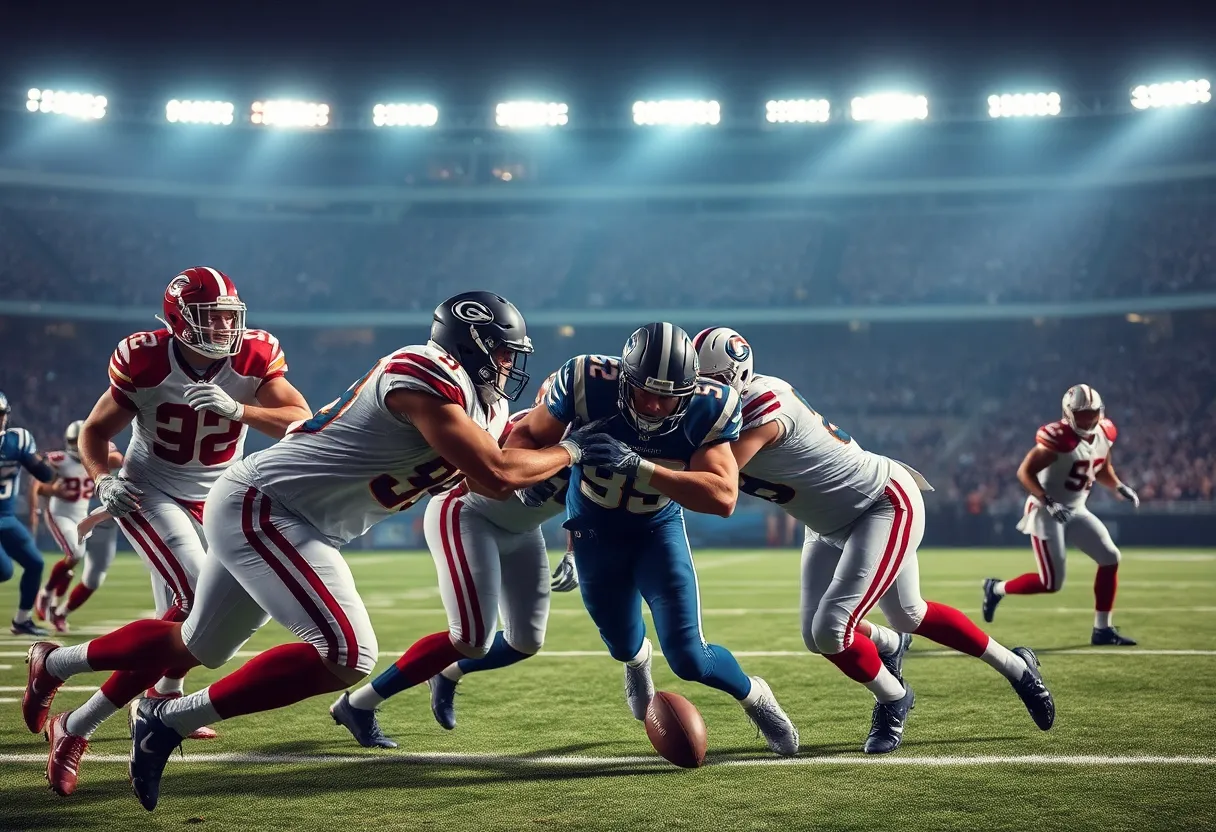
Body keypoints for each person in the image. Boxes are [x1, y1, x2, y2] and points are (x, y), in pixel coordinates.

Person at [24, 290, 599, 809]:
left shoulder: (486, 406)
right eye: (501, 352)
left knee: (195, 641)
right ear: (470, 344)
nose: (508, 364)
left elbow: (487, 477)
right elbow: (497, 474)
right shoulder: (425, 370)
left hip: (295, 515)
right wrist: (571, 452)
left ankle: (55, 668)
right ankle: (168, 719)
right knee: (347, 654)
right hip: (271, 506)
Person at [694, 326, 1055, 754]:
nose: (700, 394)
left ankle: (905, 696)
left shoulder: (764, 406)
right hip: (827, 522)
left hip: (880, 504)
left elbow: (720, 483)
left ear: (735, 377)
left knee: (832, 630)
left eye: (708, 383)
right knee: (886, 620)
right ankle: (895, 644)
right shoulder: (719, 409)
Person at [24, 266, 312, 796]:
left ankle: (126, 687)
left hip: (223, 493)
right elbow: (94, 431)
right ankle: (77, 721)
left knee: (186, 620)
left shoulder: (255, 354)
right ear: (180, 320)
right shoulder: (145, 357)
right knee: (195, 606)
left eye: (231, 315)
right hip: (150, 489)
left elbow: (299, 416)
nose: (227, 326)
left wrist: (240, 409)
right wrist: (102, 477)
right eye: (213, 316)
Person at [506, 322, 800, 756]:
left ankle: (756, 697)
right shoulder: (586, 380)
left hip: (656, 531)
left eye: (669, 395)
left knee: (689, 658)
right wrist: (529, 471)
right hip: (593, 532)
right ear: (624, 377)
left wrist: (641, 467)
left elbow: (723, 497)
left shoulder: (711, 405)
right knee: (622, 641)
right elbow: (526, 435)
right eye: (645, 390)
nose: (656, 404)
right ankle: (637, 661)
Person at [332, 373, 580, 747]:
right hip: (468, 514)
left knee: (525, 642)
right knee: (470, 636)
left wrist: (575, 553)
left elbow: (589, 499)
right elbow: (480, 474)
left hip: (523, 531)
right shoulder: (516, 428)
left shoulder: (593, 442)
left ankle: (447, 673)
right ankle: (359, 703)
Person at [983, 384, 1139, 645]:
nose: (1089, 419)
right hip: (1047, 512)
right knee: (1051, 583)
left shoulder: (1104, 433)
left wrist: (1118, 486)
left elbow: (1100, 466)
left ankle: (1102, 629)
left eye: (1092, 413)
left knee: (1110, 557)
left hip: (1076, 508)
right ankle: (996, 588)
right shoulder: (1057, 440)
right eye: (1082, 414)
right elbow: (1025, 472)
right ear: (1068, 414)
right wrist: (1047, 500)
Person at [31, 420, 124, 632]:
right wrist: (53, 492)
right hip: (64, 514)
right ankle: (46, 593)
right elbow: (38, 483)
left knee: (94, 577)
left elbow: (119, 459)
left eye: (79, 440)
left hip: (95, 517)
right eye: (73, 440)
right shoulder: (59, 460)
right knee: (75, 553)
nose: (76, 444)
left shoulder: (100, 452)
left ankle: (59, 611)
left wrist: (101, 453)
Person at [0, 391, 57, 636]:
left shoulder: (17, 441)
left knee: (35, 563)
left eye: (1, 414)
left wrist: (38, 463)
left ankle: (22, 620)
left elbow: (44, 475)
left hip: (7, 517)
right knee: (4, 571)